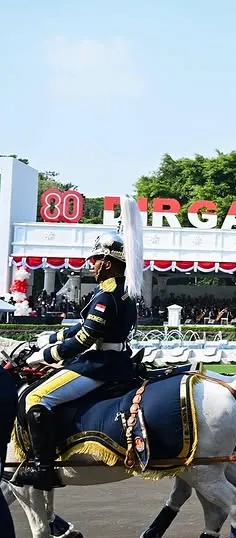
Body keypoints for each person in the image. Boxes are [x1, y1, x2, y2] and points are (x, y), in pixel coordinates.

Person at [13, 198, 142, 490]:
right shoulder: (119, 290)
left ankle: (44, 468)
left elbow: (85, 339)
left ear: (107, 263)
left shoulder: (107, 295)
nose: (92, 265)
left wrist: (43, 356)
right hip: (114, 360)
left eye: (95, 260)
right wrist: (49, 338)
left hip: (100, 365)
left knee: (36, 398)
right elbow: (83, 327)